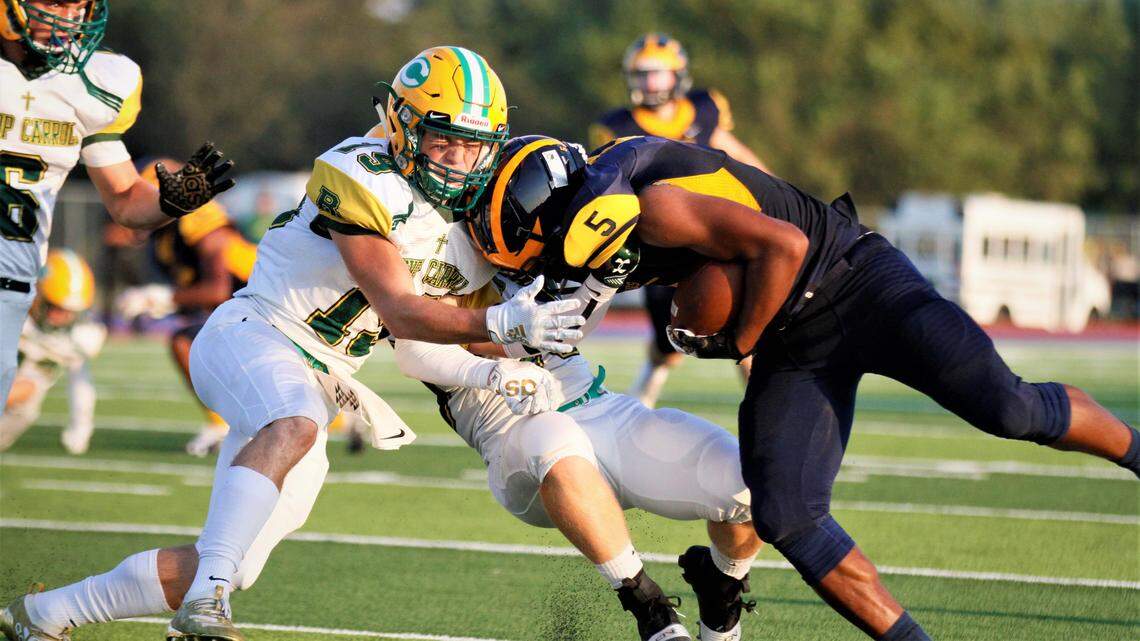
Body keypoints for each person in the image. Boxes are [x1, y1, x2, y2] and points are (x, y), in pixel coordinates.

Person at [0, 46, 583, 641]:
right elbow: (400, 312)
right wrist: (499, 326)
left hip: (322, 379)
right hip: (254, 333)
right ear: (405, 127)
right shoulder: (361, 170)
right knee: (295, 423)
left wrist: (506, 366)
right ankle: (202, 606)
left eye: (475, 144)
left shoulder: (471, 235)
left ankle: (48, 613)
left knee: (235, 562)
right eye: (442, 140)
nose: (459, 160)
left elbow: (415, 351)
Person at [467, 135, 1140, 641]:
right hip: (796, 336)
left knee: (1011, 407)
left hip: (856, 279)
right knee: (785, 512)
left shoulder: (655, 205)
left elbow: (783, 246)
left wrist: (739, 339)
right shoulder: (606, 194)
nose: (549, 262)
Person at [394, 266, 763, 641]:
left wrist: (604, 282)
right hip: (514, 433)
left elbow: (575, 325)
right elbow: (410, 346)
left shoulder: (543, 244)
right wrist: (493, 374)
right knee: (553, 434)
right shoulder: (431, 246)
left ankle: (722, 590)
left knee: (751, 483)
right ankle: (648, 606)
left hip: (597, 405)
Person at [1, 0, 235, 407]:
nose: (69, 17)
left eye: (79, 5)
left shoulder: (96, 81)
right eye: (55, 3)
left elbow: (125, 199)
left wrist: (169, 202)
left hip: (14, 289)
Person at [589, 33, 769, 409]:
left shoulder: (705, 108)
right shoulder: (616, 126)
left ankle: (767, 411)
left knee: (746, 330)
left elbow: (732, 149)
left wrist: (772, 190)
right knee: (669, 344)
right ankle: (639, 404)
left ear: (678, 75)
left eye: (657, 74)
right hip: (663, 240)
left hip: (715, 232)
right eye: (643, 74)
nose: (650, 83)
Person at [137, 159, 257, 456]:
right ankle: (340, 422)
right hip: (243, 308)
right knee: (196, 343)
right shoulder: (166, 233)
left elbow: (217, 290)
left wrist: (163, 298)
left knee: (185, 343)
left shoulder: (199, 218)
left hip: (266, 305)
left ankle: (221, 424)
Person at [0, 248, 105, 454]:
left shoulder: (80, 336)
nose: (61, 318)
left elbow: (81, 382)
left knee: (28, 392)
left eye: (69, 312)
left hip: (17, 398)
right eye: (55, 307)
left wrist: (81, 428)